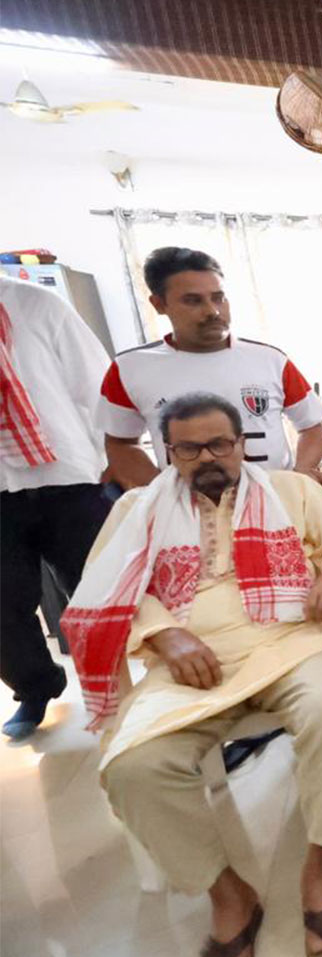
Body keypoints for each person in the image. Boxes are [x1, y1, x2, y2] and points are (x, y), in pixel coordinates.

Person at [65, 393, 322, 957]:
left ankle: (320, 867)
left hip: (286, 644)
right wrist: (161, 633)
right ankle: (229, 896)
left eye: (219, 444)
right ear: (167, 452)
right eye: (188, 447)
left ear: (241, 444)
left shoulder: (288, 489)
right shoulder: (136, 509)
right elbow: (100, 593)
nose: (207, 457)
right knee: (133, 767)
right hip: (188, 665)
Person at [99, 248, 322, 492]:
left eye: (218, 297)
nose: (212, 311)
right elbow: (120, 443)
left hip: (275, 506)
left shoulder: (270, 359)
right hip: (188, 516)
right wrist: (159, 495)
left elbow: (311, 425)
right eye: (193, 300)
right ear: (159, 304)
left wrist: (302, 474)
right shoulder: (129, 368)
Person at [1, 275, 115, 738]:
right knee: (2, 604)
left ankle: (125, 684)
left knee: (100, 591)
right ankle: (35, 687)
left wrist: (111, 457)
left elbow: (95, 383)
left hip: (70, 477)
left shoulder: (34, 303)